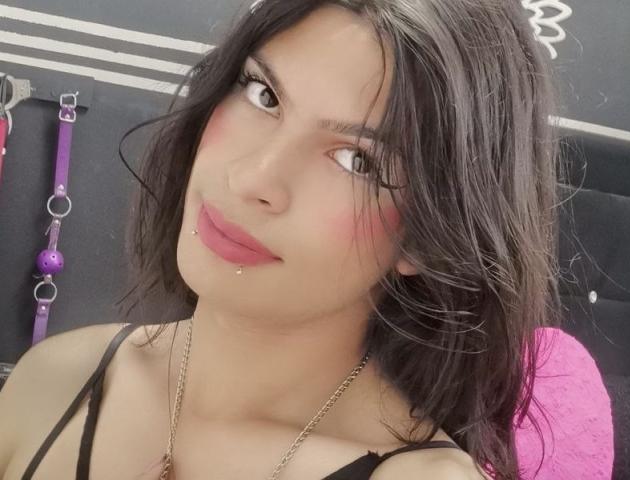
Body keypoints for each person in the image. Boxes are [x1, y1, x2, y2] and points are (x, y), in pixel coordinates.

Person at [0, 0, 565, 478]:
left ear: (429, 236)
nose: (253, 178)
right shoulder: (55, 380)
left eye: (357, 160)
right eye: (263, 95)